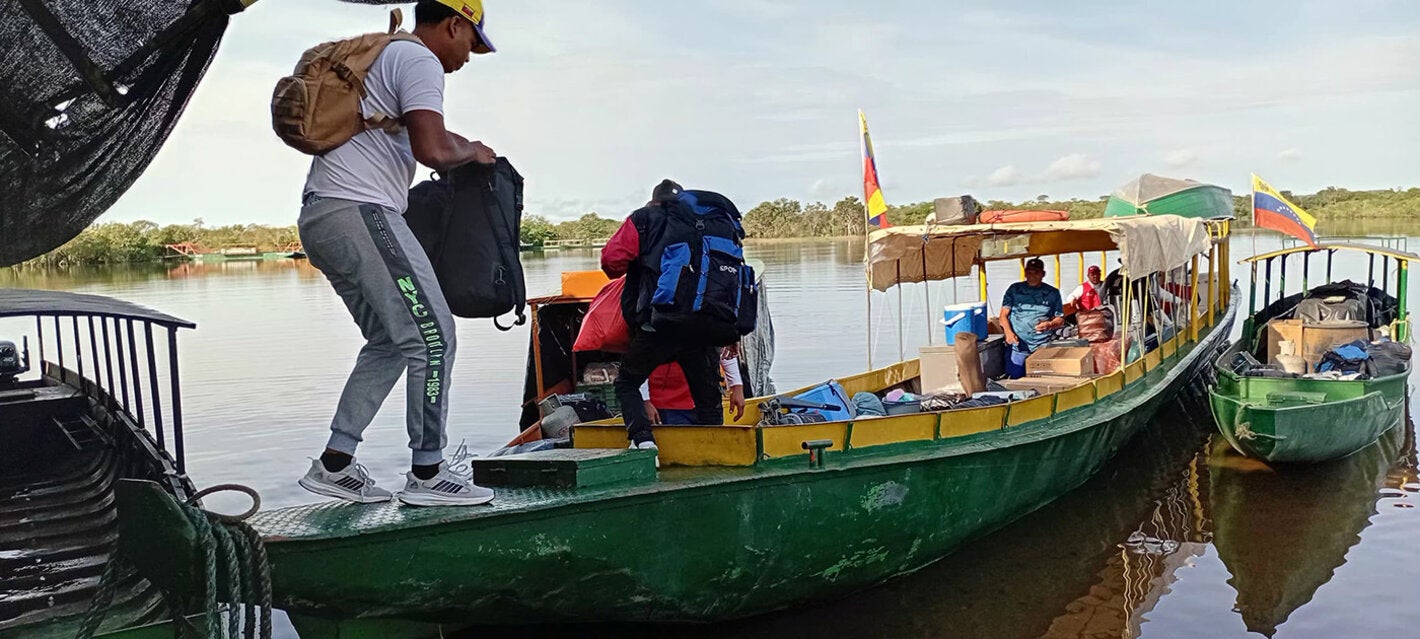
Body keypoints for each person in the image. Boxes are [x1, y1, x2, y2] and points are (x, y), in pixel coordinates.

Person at [295, 0, 499, 507]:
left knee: (389, 341)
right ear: (453, 23)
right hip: (361, 211)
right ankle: (429, 473)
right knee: (434, 338)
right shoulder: (419, 60)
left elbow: (413, 136)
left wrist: (465, 142)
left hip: (324, 215)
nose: (467, 58)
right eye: (470, 43)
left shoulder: (384, 57)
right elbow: (432, 149)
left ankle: (335, 464)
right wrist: (472, 151)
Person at [601, 180, 743, 452]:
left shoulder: (644, 219)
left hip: (660, 323)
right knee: (708, 399)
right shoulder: (711, 225)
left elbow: (611, 263)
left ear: (653, 201)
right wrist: (732, 331)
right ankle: (715, 451)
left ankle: (643, 441)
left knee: (628, 382)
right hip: (704, 326)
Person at [641, 346, 747, 425]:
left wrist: (736, 385)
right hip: (667, 402)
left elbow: (722, 345)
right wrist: (644, 400)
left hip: (708, 400)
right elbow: (638, 354)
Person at [1000, 257, 1065, 354]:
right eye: (1029, 273)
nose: (1032, 276)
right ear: (1025, 273)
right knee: (1014, 368)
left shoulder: (1052, 292)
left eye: (1036, 273)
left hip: (1043, 344)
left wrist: (1049, 324)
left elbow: (1060, 319)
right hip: (1017, 344)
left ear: (1043, 274)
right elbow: (1003, 316)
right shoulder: (1014, 289)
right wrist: (1008, 333)